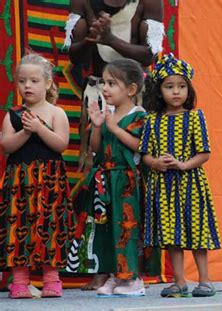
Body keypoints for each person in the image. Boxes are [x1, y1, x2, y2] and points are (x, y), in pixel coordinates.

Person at [64, 0, 164, 290]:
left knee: (133, 203)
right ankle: (103, 269)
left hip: (132, 100)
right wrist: (92, 39)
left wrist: (110, 40)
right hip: (98, 93)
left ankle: (134, 271)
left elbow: (151, 54)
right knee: (98, 196)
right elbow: (73, 54)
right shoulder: (82, 1)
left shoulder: (148, 3)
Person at [139, 53, 221, 298]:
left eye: (182, 86)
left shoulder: (196, 117)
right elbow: (144, 154)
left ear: (189, 89)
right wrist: (156, 163)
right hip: (163, 185)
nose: (176, 92)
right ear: (159, 90)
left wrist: (184, 165)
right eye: (170, 86)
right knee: (170, 234)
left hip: (191, 183)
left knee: (196, 232)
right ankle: (180, 282)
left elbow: (204, 153)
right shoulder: (152, 120)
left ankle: (204, 280)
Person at [0, 53, 76, 298]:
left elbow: (61, 144)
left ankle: (51, 279)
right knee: (18, 225)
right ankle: (20, 281)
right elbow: (6, 146)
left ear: (48, 83)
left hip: (49, 182)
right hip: (19, 181)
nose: (27, 86)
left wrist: (39, 128)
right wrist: (25, 131)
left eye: (33, 81)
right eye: (22, 81)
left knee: (49, 226)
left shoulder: (57, 113)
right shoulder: (12, 114)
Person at [79, 58, 147, 296]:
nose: (105, 89)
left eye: (112, 83)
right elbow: (97, 148)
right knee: (106, 229)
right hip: (106, 179)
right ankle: (113, 275)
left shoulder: (138, 114)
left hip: (127, 180)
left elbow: (139, 145)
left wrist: (116, 128)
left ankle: (132, 279)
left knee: (126, 227)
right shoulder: (108, 114)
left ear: (130, 90)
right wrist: (98, 126)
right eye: (104, 83)